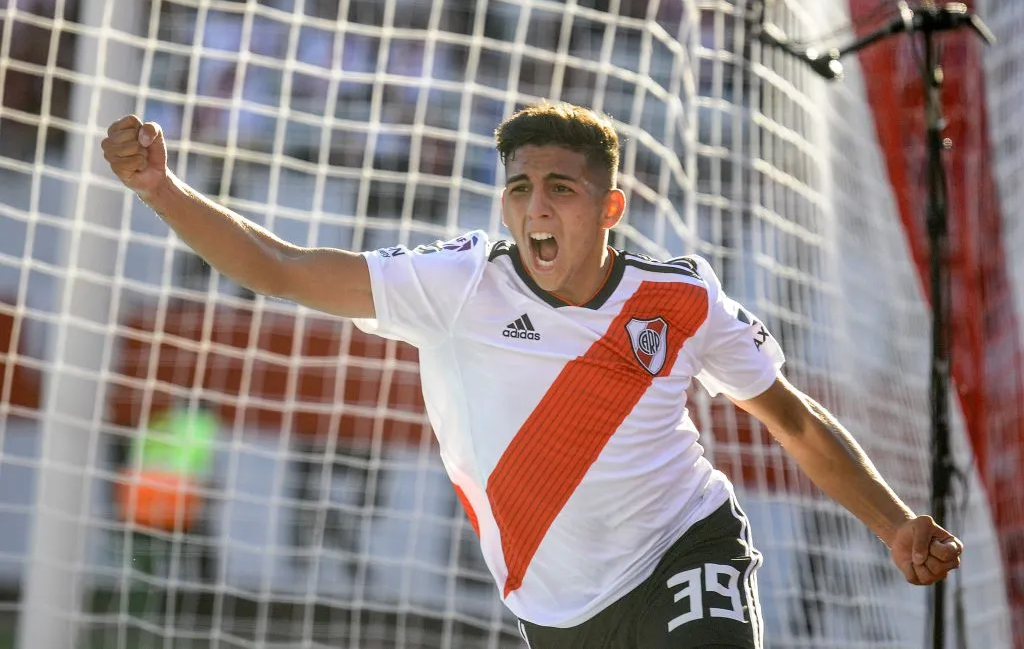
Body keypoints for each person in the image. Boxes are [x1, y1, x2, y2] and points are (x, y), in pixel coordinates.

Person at [101, 103, 963, 649]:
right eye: (519, 189)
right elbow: (282, 268)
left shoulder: (681, 300)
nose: (536, 208)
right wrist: (163, 190)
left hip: (684, 546)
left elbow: (795, 420)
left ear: (609, 207)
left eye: (560, 188)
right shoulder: (457, 284)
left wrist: (891, 525)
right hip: (556, 613)